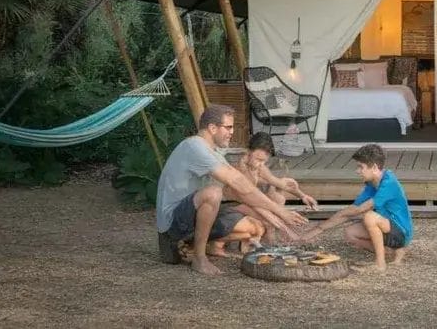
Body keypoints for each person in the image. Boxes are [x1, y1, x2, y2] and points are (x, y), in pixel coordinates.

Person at [155, 104, 308, 276]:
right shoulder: (194, 147)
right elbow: (238, 182)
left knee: (254, 228)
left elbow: (240, 191)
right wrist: (279, 210)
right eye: (228, 127)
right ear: (212, 128)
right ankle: (199, 258)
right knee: (213, 193)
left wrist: (279, 218)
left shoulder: (214, 152)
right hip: (172, 225)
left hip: (190, 218)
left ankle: (190, 244)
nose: (232, 131)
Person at [300, 144, 412, 273]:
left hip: (401, 233)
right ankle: (390, 251)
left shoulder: (389, 182)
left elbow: (359, 210)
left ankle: (380, 264)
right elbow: (353, 209)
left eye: (361, 167)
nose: (357, 171)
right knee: (350, 233)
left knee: (369, 216)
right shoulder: (372, 183)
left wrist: (318, 229)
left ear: (374, 167)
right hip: (386, 228)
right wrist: (317, 230)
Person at [221, 132, 319, 245]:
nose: (260, 164)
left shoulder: (259, 167)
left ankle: (270, 243)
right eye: (258, 159)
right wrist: (278, 217)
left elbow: (281, 183)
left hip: (252, 202)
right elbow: (251, 201)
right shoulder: (240, 170)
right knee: (268, 219)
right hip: (232, 204)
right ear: (248, 152)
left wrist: (302, 195)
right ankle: (272, 243)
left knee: (277, 198)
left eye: (264, 161)